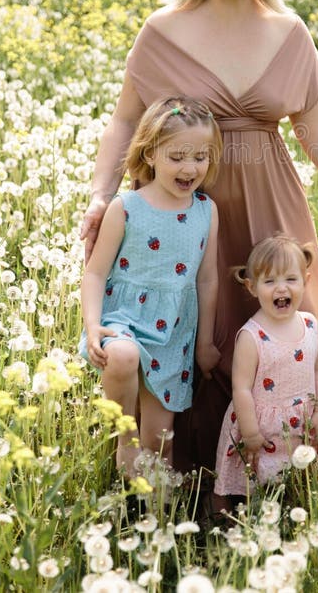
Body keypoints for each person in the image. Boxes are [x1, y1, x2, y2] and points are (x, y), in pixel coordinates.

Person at [80, 0, 318, 471]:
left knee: (280, 321)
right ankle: (177, 474)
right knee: (189, 328)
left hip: (269, 198)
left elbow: (317, 131)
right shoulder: (164, 30)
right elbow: (126, 121)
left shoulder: (290, 32)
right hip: (181, 208)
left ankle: (278, 469)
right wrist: (99, 195)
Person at [79, 96, 222, 475]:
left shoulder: (206, 211)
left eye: (200, 157)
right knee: (123, 356)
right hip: (124, 318)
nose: (190, 167)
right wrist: (94, 326)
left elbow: (206, 280)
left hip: (174, 331)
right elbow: (94, 273)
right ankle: (124, 439)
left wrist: (205, 343)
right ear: (151, 153)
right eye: (177, 157)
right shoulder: (126, 207)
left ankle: (151, 520)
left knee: (160, 445)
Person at [214, 234, 318, 500]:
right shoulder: (251, 336)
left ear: (306, 281)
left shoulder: (311, 324)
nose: (281, 289)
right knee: (256, 485)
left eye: (290, 279)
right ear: (252, 287)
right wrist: (251, 432)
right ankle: (232, 511)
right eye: (269, 281)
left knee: (299, 483)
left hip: (302, 420)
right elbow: (241, 388)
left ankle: (296, 507)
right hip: (261, 426)